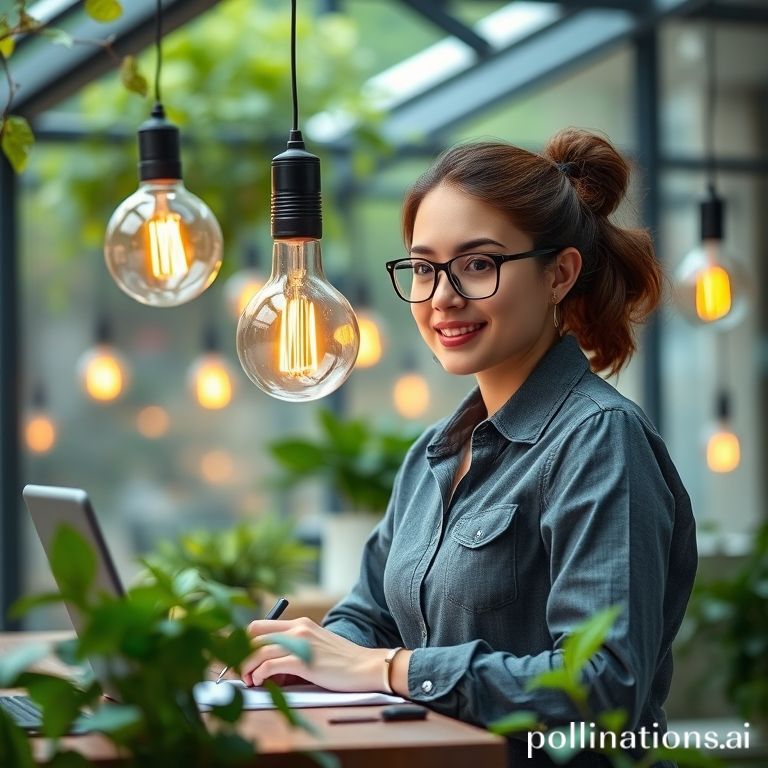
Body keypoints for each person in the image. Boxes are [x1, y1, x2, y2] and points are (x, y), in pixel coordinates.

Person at [243, 128, 698, 767]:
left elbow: (602, 684)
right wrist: (296, 656)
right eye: (424, 267)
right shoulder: (432, 455)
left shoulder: (599, 439)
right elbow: (369, 618)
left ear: (559, 274)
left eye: (478, 263)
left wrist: (391, 669)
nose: (442, 297)